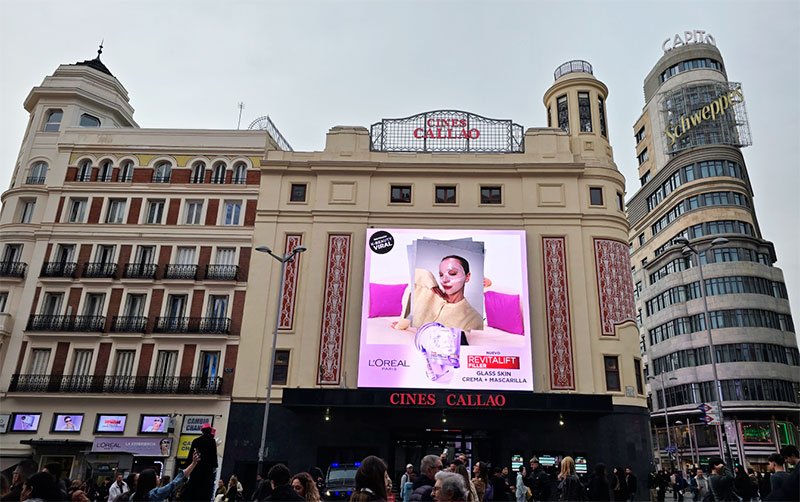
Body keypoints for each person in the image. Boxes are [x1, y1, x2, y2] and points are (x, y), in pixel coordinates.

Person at [403, 255, 483, 332]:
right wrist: (429, 280)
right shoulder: (429, 293)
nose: (444, 280)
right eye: (441, 275)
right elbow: (415, 273)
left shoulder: (473, 318)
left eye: (452, 273)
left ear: (467, 277)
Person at [132, 450, 199, 501]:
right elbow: (174, 483)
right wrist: (193, 463)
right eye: (155, 475)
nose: (158, 476)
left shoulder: (133, 496)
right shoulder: (155, 494)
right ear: (150, 480)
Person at [181, 423, 219, 502]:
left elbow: (190, 455)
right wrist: (214, 466)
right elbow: (213, 455)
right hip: (206, 471)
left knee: (193, 488)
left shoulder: (196, 441)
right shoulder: (212, 441)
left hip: (196, 469)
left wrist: (187, 466)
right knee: (204, 491)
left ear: (202, 431)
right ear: (209, 431)